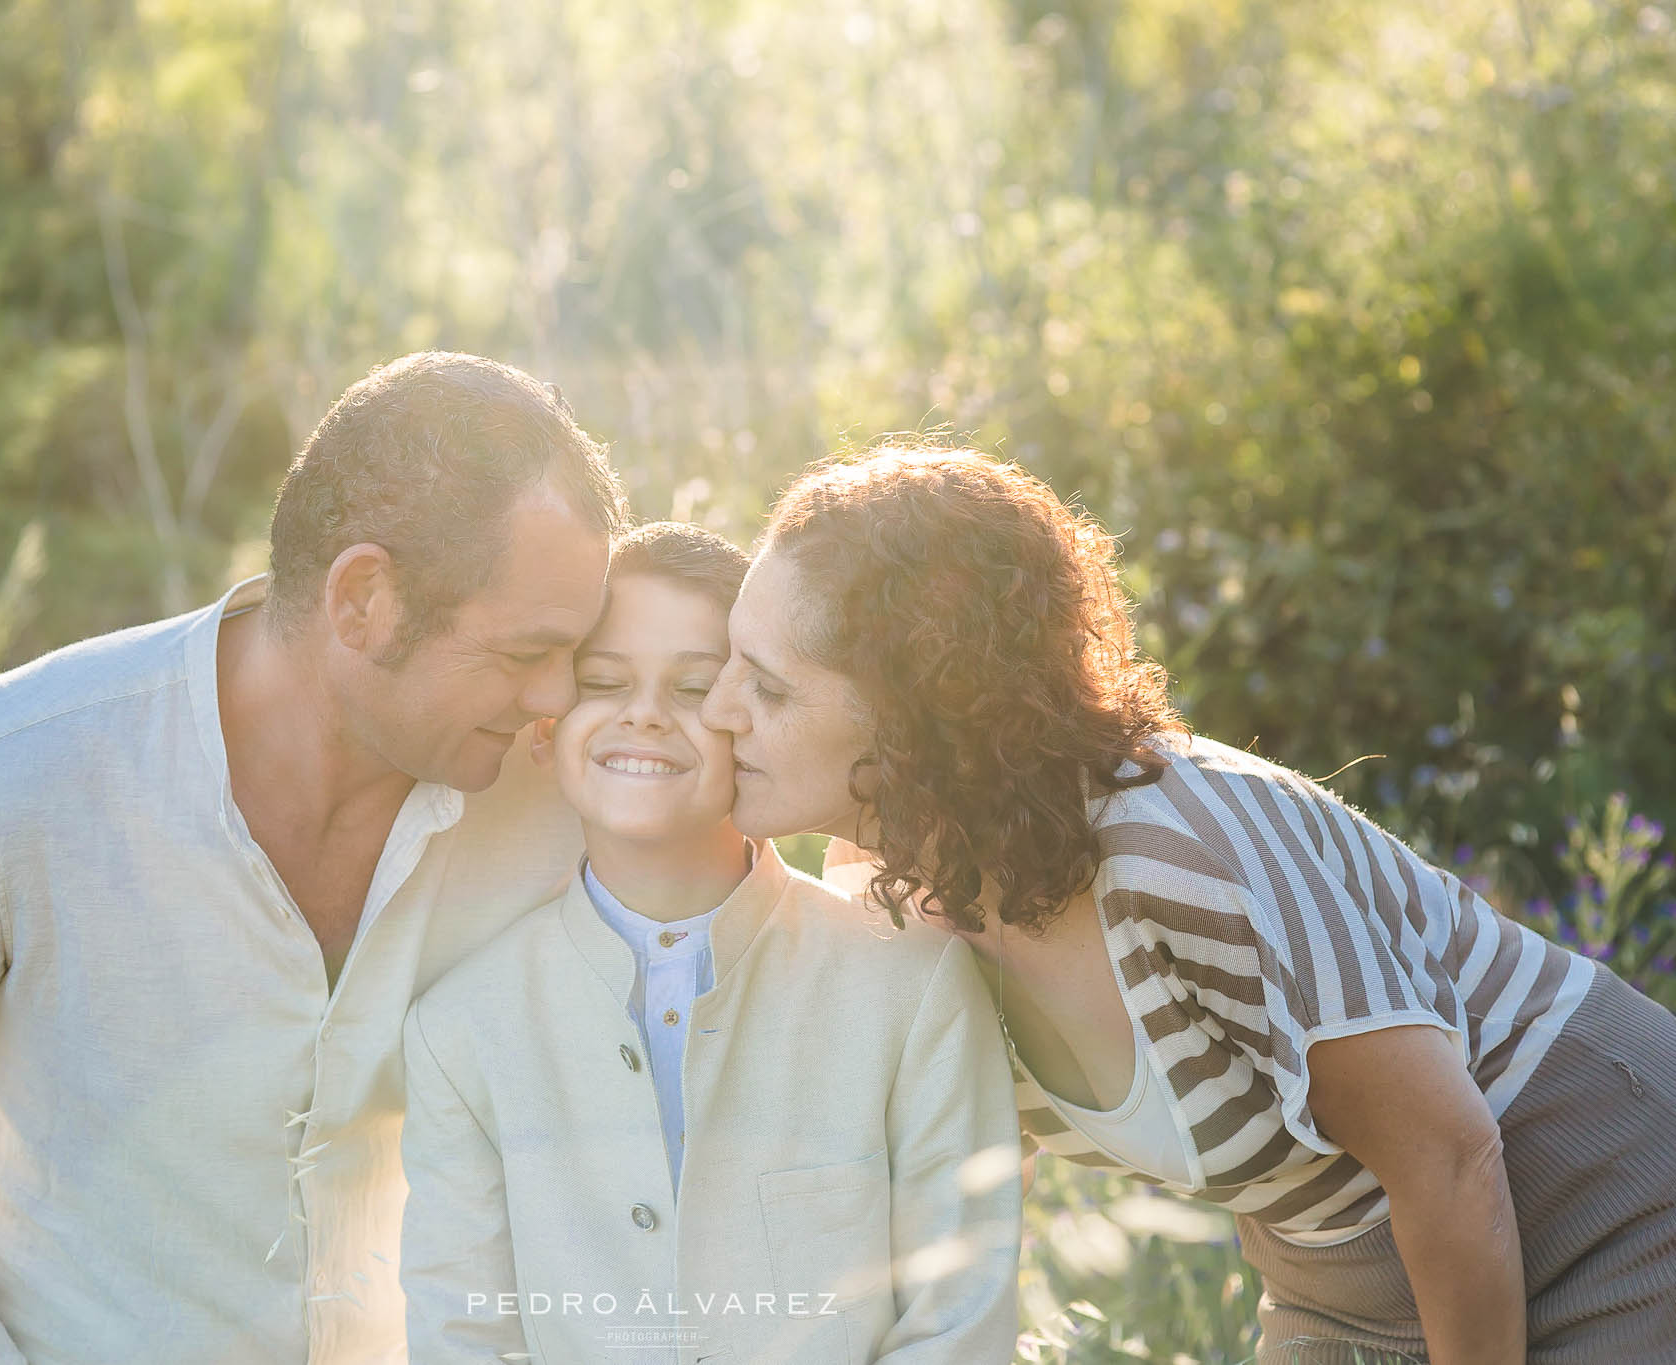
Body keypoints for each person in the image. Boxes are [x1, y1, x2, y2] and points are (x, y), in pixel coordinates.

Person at [0, 352, 627, 1365]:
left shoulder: (560, 792)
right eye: (521, 654)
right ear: (363, 600)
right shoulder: (9, 774)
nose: (558, 698)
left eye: (575, 656)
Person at [701, 442, 1676, 1365]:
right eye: (728, 664)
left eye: (768, 687)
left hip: (1605, 1196)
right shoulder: (884, 895)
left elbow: (1450, 1157)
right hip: (1342, 1280)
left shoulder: (1183, 849)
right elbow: (903, 1200)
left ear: (916, 724)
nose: (719, 710)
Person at [398, 522, 1022, 1364]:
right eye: (602, 681)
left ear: (750, 717)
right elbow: (463, 1334)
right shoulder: (461, 1027)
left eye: (694, 687)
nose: (645, 715)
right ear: (545, 726)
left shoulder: (910, 983)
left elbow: (959, 1319)